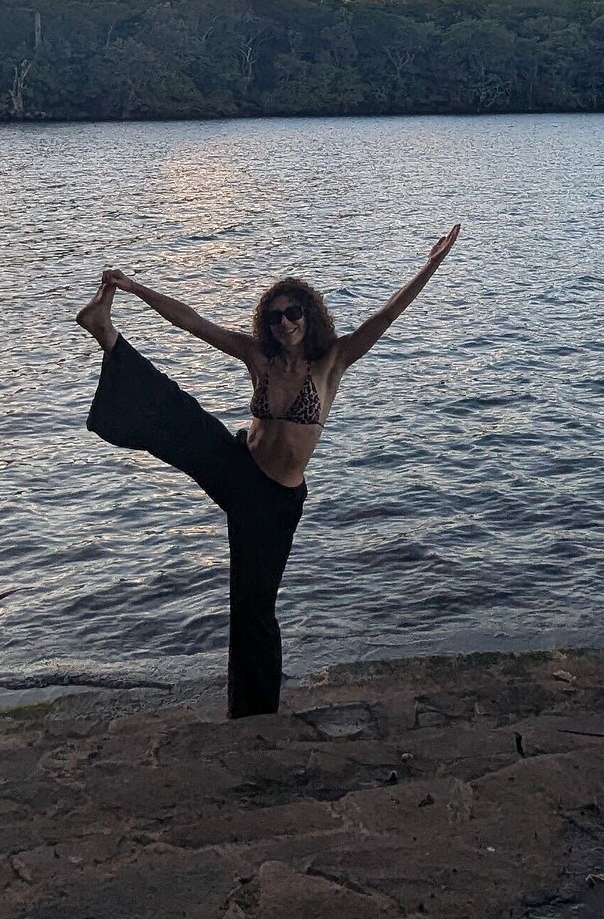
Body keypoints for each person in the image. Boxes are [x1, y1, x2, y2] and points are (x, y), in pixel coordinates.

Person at [76, 226, 462, 719]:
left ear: (309, 315)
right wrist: (134, 287)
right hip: (238, 466)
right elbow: (193, 322)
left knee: (253, 606)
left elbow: (385, 316)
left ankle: (254, 714)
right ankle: (105, 332)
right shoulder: (260, 358)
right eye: (275, 316)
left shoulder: (332, 361)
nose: (285, 323)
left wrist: (430, 266)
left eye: (293, 312)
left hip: (273, 501)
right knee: (178, 413)